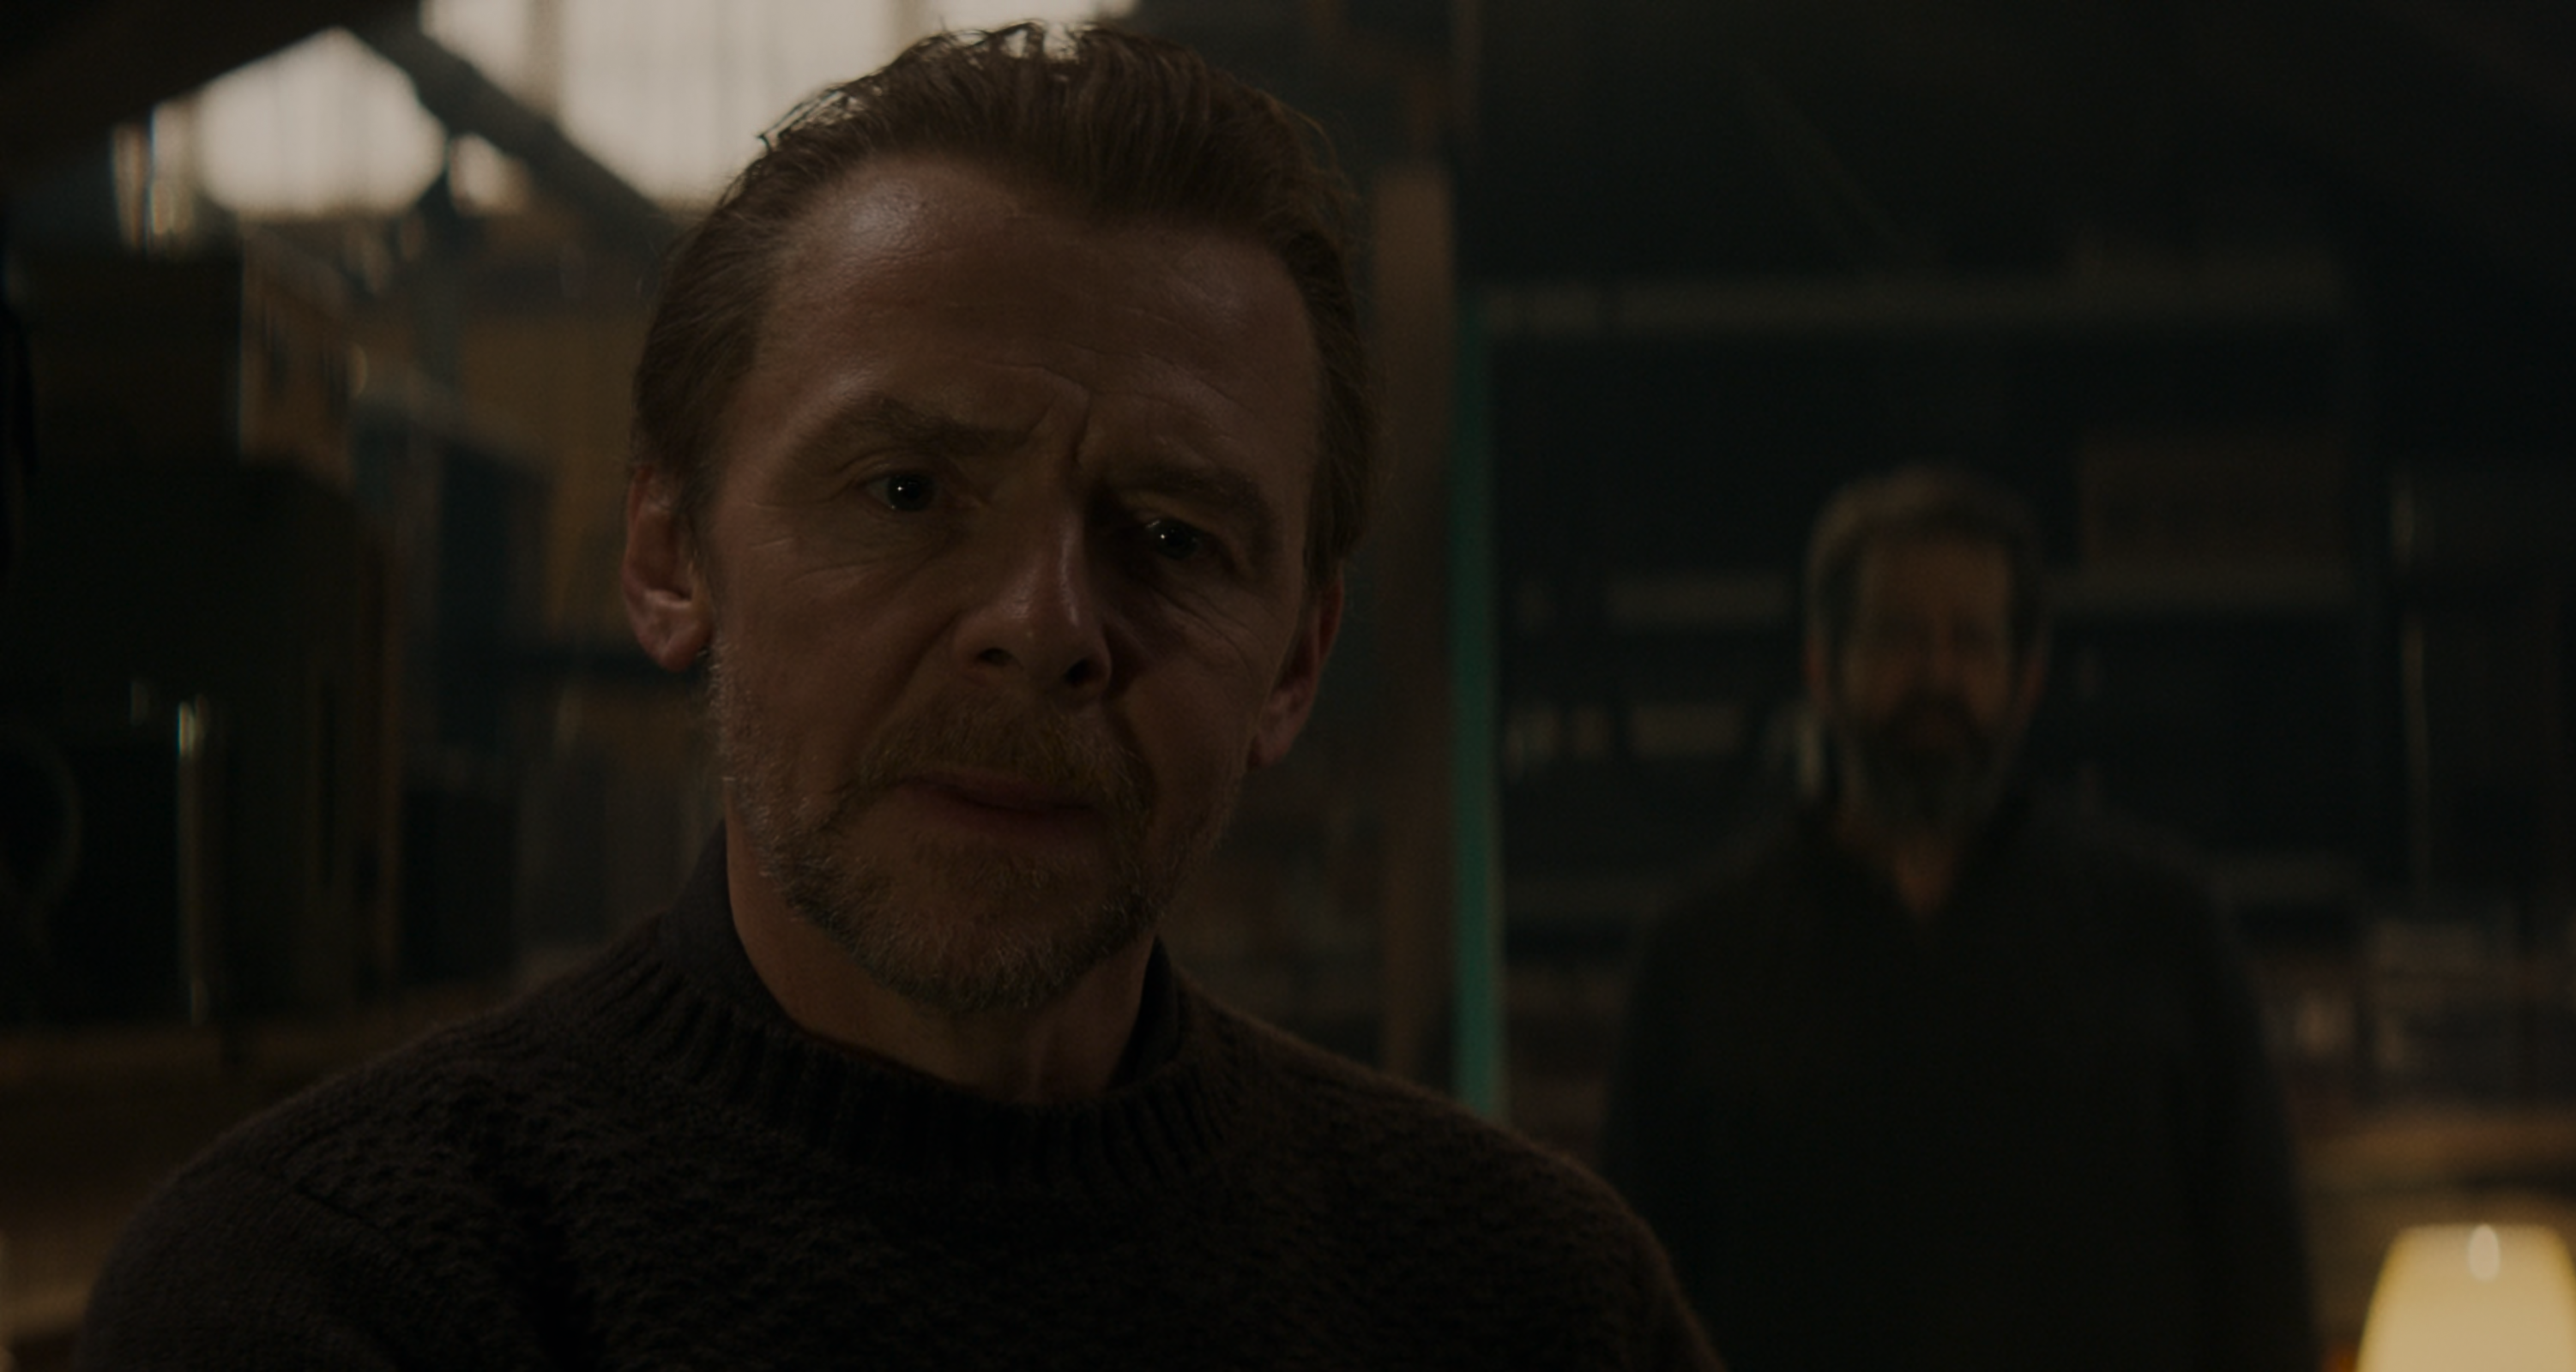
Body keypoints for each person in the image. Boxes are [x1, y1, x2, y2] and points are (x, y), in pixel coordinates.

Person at [81, 25, 1712, 1369]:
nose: (1045, 629)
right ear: (670, 556)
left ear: (1293, 661)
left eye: (1170, 537)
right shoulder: (331, 1296)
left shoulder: (1531, 1306)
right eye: (908, 493)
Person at [1601, 466, 2318, 1371]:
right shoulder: (1702, 951)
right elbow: (1630, 1309)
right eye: (1900, 635)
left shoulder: (2164, 929)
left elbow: (2260, 1288)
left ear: (2026, 678)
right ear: (1823, 666)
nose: (1938, 676)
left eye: (1971, 641)